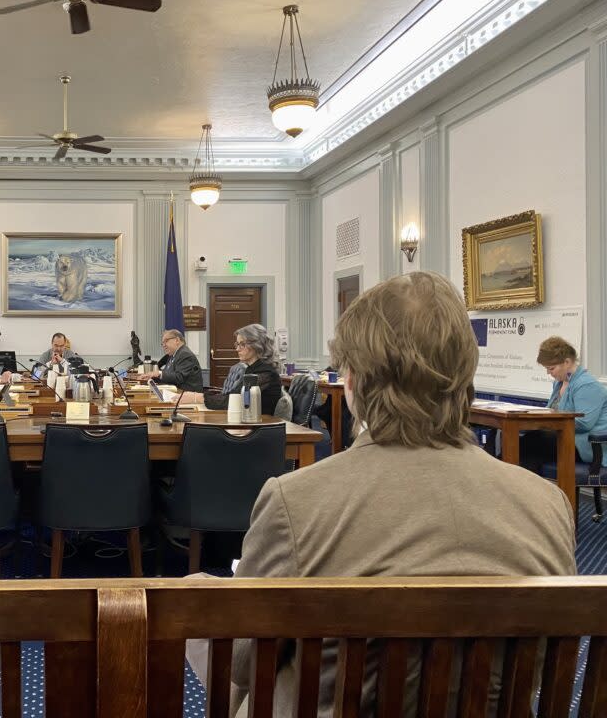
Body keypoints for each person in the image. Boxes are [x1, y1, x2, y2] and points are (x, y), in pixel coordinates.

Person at [227, 272, 575, 716]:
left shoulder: (295, 501)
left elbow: (244, 662)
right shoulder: (546, 503)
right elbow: (546, 669)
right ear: (467, 374)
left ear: (351, 382)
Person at [523, 337, 607, 472]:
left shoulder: (587, 385)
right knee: (524, 445)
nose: (548, 373)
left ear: (567, 362)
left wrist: (547, 424)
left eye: (551, 368)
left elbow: (584, 423)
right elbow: (550, 411)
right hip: (565, 439)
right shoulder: (559, 383)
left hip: (585, 445)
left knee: (531, 443)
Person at [196, 324, 282, 412]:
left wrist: (199, 398)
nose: (237, 349)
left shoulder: (265, 372)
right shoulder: (251, 368)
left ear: (257, 345)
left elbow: (233, 400)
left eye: (242, 344)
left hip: (260, 423)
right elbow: (233, 394)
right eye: (237, 344)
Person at [136, 329, 203, 393]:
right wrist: (151, 378)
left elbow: (179, 377)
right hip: (175, 393)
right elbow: (168, 377)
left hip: (187, 397)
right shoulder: (172, 355)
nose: (164, 345)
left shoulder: (185, 354)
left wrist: (159, 373)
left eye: (166, 341)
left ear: (177, 340)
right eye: (162, 343)